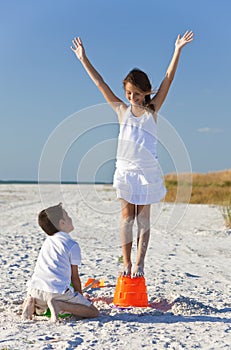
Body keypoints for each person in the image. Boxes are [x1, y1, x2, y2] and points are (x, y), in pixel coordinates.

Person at [70, 31, 194, 278]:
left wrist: (177, 49)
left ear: (146, 92)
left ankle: (140, 263)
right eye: (128, 94)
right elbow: (100, 83)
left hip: (147, 170)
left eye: (136, 94)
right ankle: (126, 262)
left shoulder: (152, 110)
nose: (132, 98)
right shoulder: (121, 111)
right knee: (127, 217)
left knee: (143, 219)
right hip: (125, 170)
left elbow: (168, 79)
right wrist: (83, 59)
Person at [22, 203, 99, 322]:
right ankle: (59, 305)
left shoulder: (47, 242)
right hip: (55, 292)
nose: (70, 218)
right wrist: (80, 297)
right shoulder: (72, 245)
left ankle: (29, 303)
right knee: (93, 312)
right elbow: (75, 277)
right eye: (67, 216)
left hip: (35, 290)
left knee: (40, 305)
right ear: (62, 223)